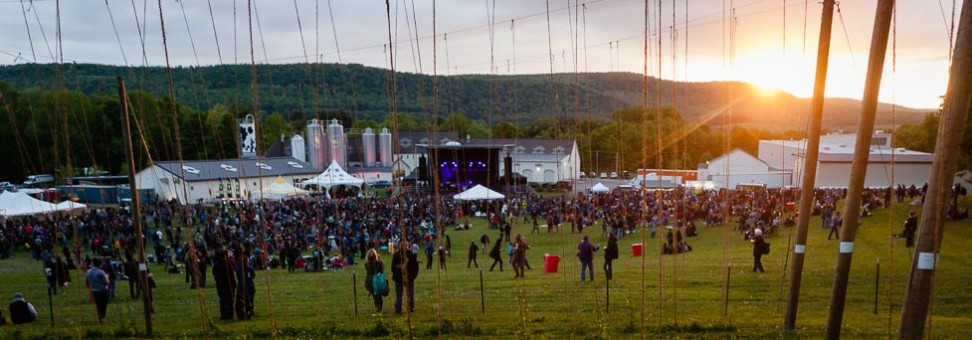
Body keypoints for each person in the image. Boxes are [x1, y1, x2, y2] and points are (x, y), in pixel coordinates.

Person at [212, 249, 237, 320]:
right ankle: (229, 314)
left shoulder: (216, 265)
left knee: (222, 300)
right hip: (228, 286)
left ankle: (224, 314)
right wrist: (234, 285)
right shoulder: (227, 264)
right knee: (230, 300)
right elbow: (231, 276)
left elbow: (214, 274)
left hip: (220, 286)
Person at [86, 257, 110, 323]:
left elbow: (87, 281)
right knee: (104, 304)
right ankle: (103, 316)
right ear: (100, 264)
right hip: (102, 290)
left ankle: (100, 317)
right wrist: (107, 278)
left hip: (94, 290)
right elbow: (106, 282)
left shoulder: (88, 271)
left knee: (98, 305)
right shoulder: (101, 272)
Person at [364, 249, 386, 314]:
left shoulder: (367, 265)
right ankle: (380, 308)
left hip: (371, 281)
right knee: (379, 296)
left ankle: (378, 308)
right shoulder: (379, 263)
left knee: (375, 296)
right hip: (378, 280)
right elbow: (382, 269)